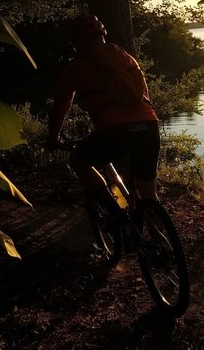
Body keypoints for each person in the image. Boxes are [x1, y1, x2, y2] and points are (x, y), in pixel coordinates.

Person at [47, 14, 160, 212]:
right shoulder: (126, 59)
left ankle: (113, 211)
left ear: (77, 44)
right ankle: (160, 239)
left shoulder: (75, 69)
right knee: (149, 194)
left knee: (78, 160)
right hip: (149, 126)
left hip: (113, 131)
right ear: (103, 36)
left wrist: (53, 137)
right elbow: (144, 95)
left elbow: (60, 108)